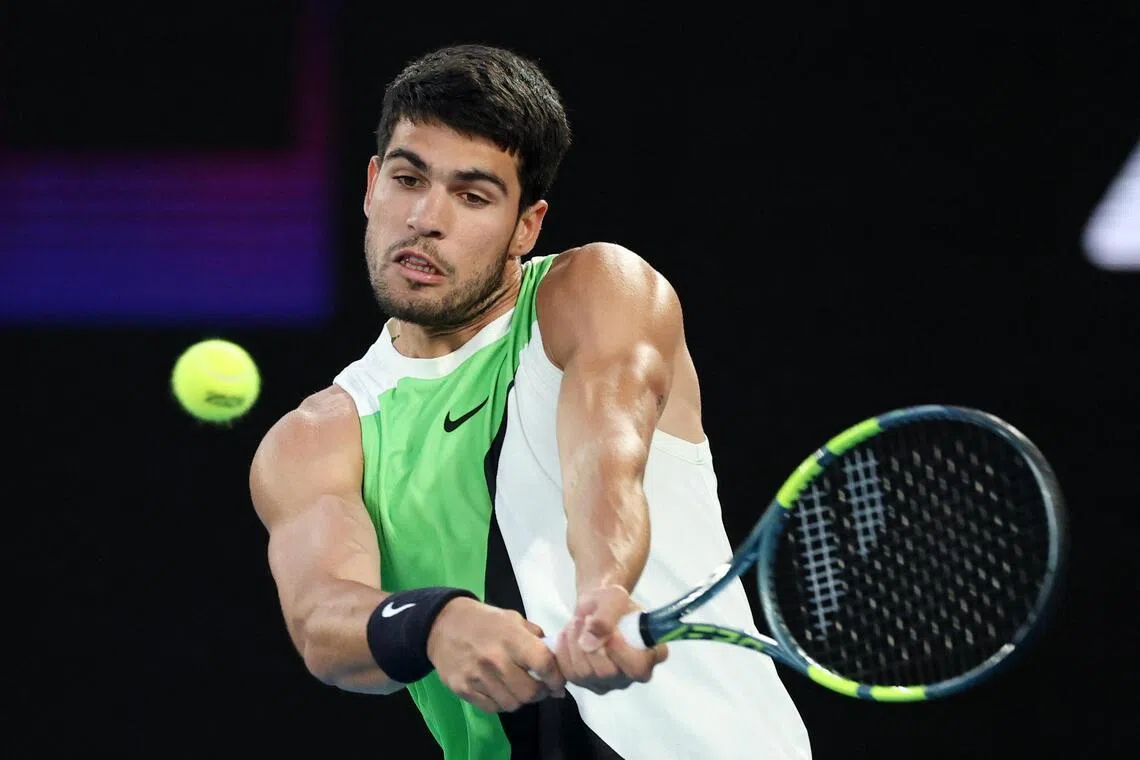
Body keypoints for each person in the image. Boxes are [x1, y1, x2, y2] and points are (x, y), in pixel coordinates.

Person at [249, 43, 811, 759]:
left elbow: (605, 455)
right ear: (370, 186)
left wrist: (606, 586)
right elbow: (322, 618)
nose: (426, 217)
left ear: (527, 225)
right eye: (407, 177)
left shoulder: (595, 293)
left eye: (472, 195)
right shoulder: (317, 437)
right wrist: (435, 624)